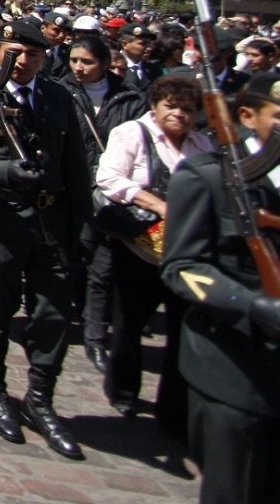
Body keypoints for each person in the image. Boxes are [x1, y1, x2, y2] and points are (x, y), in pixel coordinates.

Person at [162, 71, 280, 503]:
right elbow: (182, 266)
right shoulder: (207, 176)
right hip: (232, 368)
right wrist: (248, 304)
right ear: (247, 115)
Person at [0, 15, 93, 460]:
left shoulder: (58, 98)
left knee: (51, 319)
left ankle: (40, 400)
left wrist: (83, 229)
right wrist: (3, 170)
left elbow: (76, 171)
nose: (22, 60)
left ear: (46, 56)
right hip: (0, 223)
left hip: (51, 226)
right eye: (13, 52)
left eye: (32, 53)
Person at [94, 76, 212, 433]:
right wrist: (157, 204)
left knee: (182, 331)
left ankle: (172, 407)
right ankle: (124, 390)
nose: (179, 114)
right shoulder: (132, 133)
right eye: (171, 106)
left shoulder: (202, 145)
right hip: (139, 247)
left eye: (187, 109)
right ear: (156, 106)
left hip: (184, 250)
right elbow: (110, 178)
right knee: (129, 324)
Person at [58, 29, 148, 374]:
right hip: (73, 187)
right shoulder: (62, 89)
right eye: (74, 61)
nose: (79, 68)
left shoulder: (130, 98)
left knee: (103, 268)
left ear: (107, 64)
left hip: (113, 193)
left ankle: (95, 336)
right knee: (72, 256)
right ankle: (64, 316)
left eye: (88, 62)